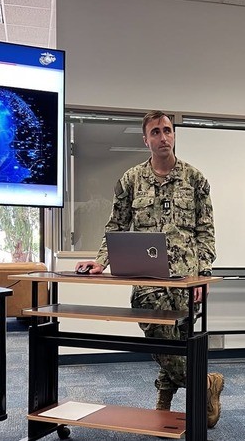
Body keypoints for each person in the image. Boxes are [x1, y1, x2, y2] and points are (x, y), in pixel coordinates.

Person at [75, 110, 224, 428]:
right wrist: (100, 261)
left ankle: (164, 402)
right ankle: (206, 383)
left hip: (185, 278)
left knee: (178, 340)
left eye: (167, 130)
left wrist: (203, 275)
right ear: (146, 139)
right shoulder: (130, 179)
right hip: (146, 279)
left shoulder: (195, 179)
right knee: (159, 337)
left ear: (174, 135)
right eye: (155, 131)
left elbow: (205, 231)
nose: (163, 136)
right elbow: (116, 225)